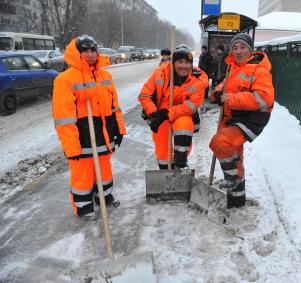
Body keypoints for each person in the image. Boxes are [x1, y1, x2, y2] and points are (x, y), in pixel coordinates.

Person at [52, 35, 127, 221]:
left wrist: (119, 130)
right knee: (83, 173)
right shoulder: (65, 79)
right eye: (85, 50)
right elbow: (63, 119)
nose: (90, 54)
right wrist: (71, 148)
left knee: (103, 168)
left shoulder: (105, 76)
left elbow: (114, 107)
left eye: (93, 50)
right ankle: (84, 206)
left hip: (103, 133)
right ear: (76, 53)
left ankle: (104, 196)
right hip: (82, 136)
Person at [209, 33, 275, 208]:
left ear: (250, 50)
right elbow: (225, 85)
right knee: (233, 154)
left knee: (221, 142)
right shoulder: (233, 68)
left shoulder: (258, 69)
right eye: (235, 48)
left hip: (252, 118)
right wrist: (217, 92)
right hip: (233, 116)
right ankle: (237, 201)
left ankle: (234, 178)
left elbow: (264, 98)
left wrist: (231, 98)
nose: (238, 51)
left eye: (243, 47)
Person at [139, 45, 208, 170]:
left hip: (182, 113)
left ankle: (180, 162)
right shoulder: (160, 73)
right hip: (160, 113)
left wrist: (168, 113)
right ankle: (165, 170)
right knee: (161, 140)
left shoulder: (198, 80)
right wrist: (154, 114)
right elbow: (145, 95)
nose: (183, 66)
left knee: (185, 125)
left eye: (187, 62)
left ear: (191, 64)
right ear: (173, 63)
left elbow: (190, 106)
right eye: (179, 62)